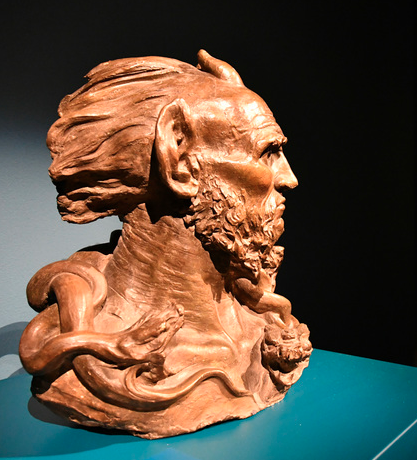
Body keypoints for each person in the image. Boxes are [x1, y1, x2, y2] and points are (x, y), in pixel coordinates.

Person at [19, 50, 311, 438]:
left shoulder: (262, 322)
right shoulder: (92, 351)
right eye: (268, 152)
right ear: (179, 160)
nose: (289, 177)